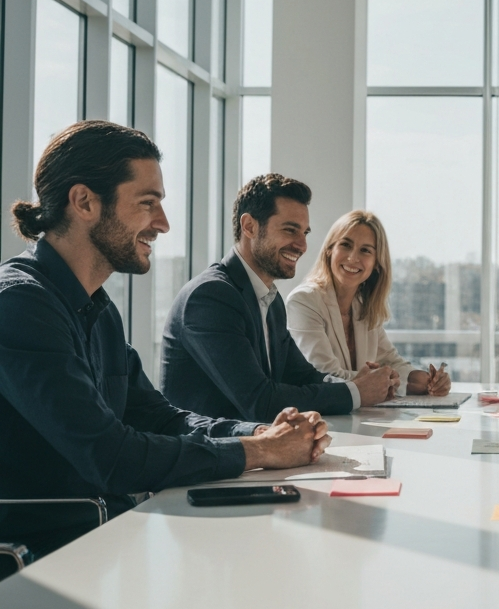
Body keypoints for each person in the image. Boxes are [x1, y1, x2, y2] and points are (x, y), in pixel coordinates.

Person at [0, 122, 331, 556]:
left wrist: (265, 432)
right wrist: (258, 450)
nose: (163, 223)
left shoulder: (98, 309)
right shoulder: (21, 305)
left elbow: (162, 418)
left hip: (106, 540)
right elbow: (111, 456)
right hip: (45, 563)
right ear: (84, 202)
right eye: (147, 203)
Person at [161, 175, 393, 422]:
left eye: (304, 233)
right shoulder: (210, 297)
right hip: (210, 454)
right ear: (249, 226)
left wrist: (357, 383)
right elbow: (260, 400)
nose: (302, 245)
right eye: (290, 230)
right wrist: (356, 392)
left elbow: (302, 375)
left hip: (257, 447)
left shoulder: (271, 300)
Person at [286, 210, 452, 397]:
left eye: (365, 250)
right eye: (346, 245)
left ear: (376, 263)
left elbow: (391, 361)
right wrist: (388, 380)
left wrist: (426, 380)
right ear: (329, 250)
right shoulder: (303, 302)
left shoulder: (363, 305)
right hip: (320, 416)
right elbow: (325, 375)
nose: (352, 258)